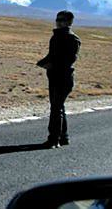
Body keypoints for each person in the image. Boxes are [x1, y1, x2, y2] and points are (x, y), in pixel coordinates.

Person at [36, 10, 81, 149]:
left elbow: (69, 60)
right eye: (57, 19)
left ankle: (53, 139)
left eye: (61, 20)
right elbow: (52, 55)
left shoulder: (73, 39)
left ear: (69, 22)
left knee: (56, 108)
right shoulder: (55, 37)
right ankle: (64, 137)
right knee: (58, 107)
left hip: (63, 77)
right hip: (54, 76)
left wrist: (52, 65)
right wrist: (43, 62)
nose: (58, 22)